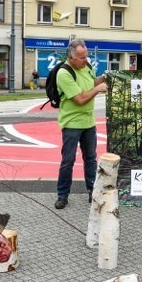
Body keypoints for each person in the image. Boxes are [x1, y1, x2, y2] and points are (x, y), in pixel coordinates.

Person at [54, 39, 108, 209]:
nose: (86, 60)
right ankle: (62, 195)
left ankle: (93, 192)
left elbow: (90, 84)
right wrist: (98, 89)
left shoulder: (87, 66)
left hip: (88, 122)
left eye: (86, 56)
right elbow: (80, 99)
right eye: (82, 58)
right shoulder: (64, 73)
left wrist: (103, 78)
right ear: (71, 57)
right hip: (71, 123)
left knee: (91, 159)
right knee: (68, 160)